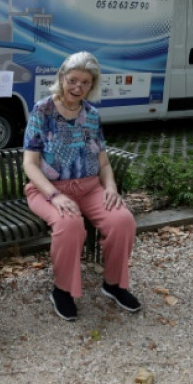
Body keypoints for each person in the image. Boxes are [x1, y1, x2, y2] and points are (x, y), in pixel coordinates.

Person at [22, 51, 141, 321]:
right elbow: (30, 164)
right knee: (70, 225)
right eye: (73, 80)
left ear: (92, 85)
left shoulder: (92, 115)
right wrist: (54, 196)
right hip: (47, 189)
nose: (77, 87)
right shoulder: (43, 110)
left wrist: (110, 187)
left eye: (85, 82)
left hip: (89, 188)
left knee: (123, 221)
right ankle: (62, 291)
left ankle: (114, 285)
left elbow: (104, 162)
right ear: (62, 77)